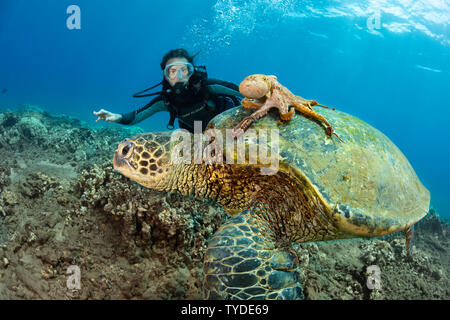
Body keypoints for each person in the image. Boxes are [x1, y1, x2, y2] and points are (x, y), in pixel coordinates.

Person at [93, 48, 243, 133]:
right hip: (201, 134)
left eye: (184, 70)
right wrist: (116, 117)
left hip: (236, 125)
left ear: (192, 71)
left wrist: (266, 97)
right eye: (172, 71)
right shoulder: (166, 101)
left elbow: (244, 91)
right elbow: (136, 117)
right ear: (165, 76)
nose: (178, 76)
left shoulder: (209, 86)